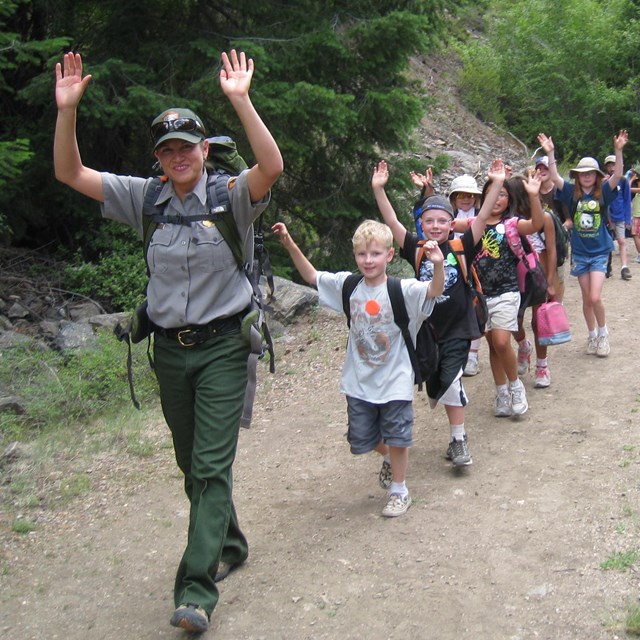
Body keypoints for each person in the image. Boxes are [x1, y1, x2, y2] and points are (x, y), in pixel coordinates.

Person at [54, 50, 283, 634]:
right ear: (158, 159)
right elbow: (69, 174)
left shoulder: (231, 195)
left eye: (188, 146)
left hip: (226, 347)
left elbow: (272, 166)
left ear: (205, 151)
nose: (179, 157)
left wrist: (240, 99)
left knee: (208, 466)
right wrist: (67, 113)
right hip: (171, 352)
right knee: (192, 463)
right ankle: (230, 541)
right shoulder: (145, 198)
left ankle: (196, 591)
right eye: (168, 149)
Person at [272, 219, 444, 517]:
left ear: (389, 255)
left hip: (396, 378)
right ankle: (390, 457)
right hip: (358, 380)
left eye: (375, 254)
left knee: (398, 435)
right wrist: (289, 243)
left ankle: (399, 490)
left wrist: (438, 264)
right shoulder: (348, 285)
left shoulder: (403, 289)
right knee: (360, 439)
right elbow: (312, 276)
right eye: (362, 254)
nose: (368, 260)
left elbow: (433, 290)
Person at [373, 159, 505, 467]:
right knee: (435, 385)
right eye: (429, 220)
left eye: (441, 221)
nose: (435, 226)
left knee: (451, 379)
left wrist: (496, 182)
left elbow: (484, 215)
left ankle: (459, 440)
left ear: (451, 223)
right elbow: (391, 222)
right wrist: (379, 189)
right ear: (422, 224)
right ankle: (454, 429)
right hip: (427, 332)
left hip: (459, 327)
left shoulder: (462, 246)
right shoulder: (416, 248)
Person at [538, 130, 628, 357]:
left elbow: (617, 175)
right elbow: (556, 178)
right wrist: (550, 153)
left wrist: (618, 151)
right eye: (582, 173)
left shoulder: (603, 192)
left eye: (590, 173)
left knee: (595, 296)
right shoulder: (570, 193)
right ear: (577, 176)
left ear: (597, 175)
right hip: (579, 252)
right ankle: (592, 335)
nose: (586, 177)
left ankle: (604, 334)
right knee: (586, 298)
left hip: (599, 252)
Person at [474, 170, 544, 417]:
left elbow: (537, 224)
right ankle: (501, 391)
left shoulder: (511, 224)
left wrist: (534, 196)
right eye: (492, 194)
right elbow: (442, 225)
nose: (496, 199)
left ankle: (515, 387)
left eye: (502, 194)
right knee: (493, 346)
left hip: (506, 292)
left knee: (503, 341)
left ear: (508, 200)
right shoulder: (475, 226)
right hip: (481, 296)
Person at [508, 174, 557, 388]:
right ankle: (523, 345)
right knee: (513, 321)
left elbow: (552, 250)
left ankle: (542, 365)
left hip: (537, 276)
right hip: (514, 278)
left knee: (539, 323)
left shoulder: (543, 218)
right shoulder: (508, 220)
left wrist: (551, 280)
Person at [448, 174, 483, 376]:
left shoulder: (480, 215)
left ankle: (473, 354)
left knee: (475, 308)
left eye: (470, 194)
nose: (466, 198)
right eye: (461, 194)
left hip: (476, 266)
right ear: (453, 197)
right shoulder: (448, 216)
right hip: (454, 267)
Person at [603, 153, 632, 280]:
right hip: (607, 216)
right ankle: (607, 267)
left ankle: (624, 267)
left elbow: (627, 200)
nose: (612, 167)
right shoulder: (604, 181)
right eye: (609, 165)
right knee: (607, 243)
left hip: (619, 215)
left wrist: (628, 218)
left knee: (622, 241)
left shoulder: (624, 181)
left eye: (614, 164)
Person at [629, 167, 640, 262]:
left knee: (635, 234)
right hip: (637, 214)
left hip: (638, 215)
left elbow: (627, 188)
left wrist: (632, 179)